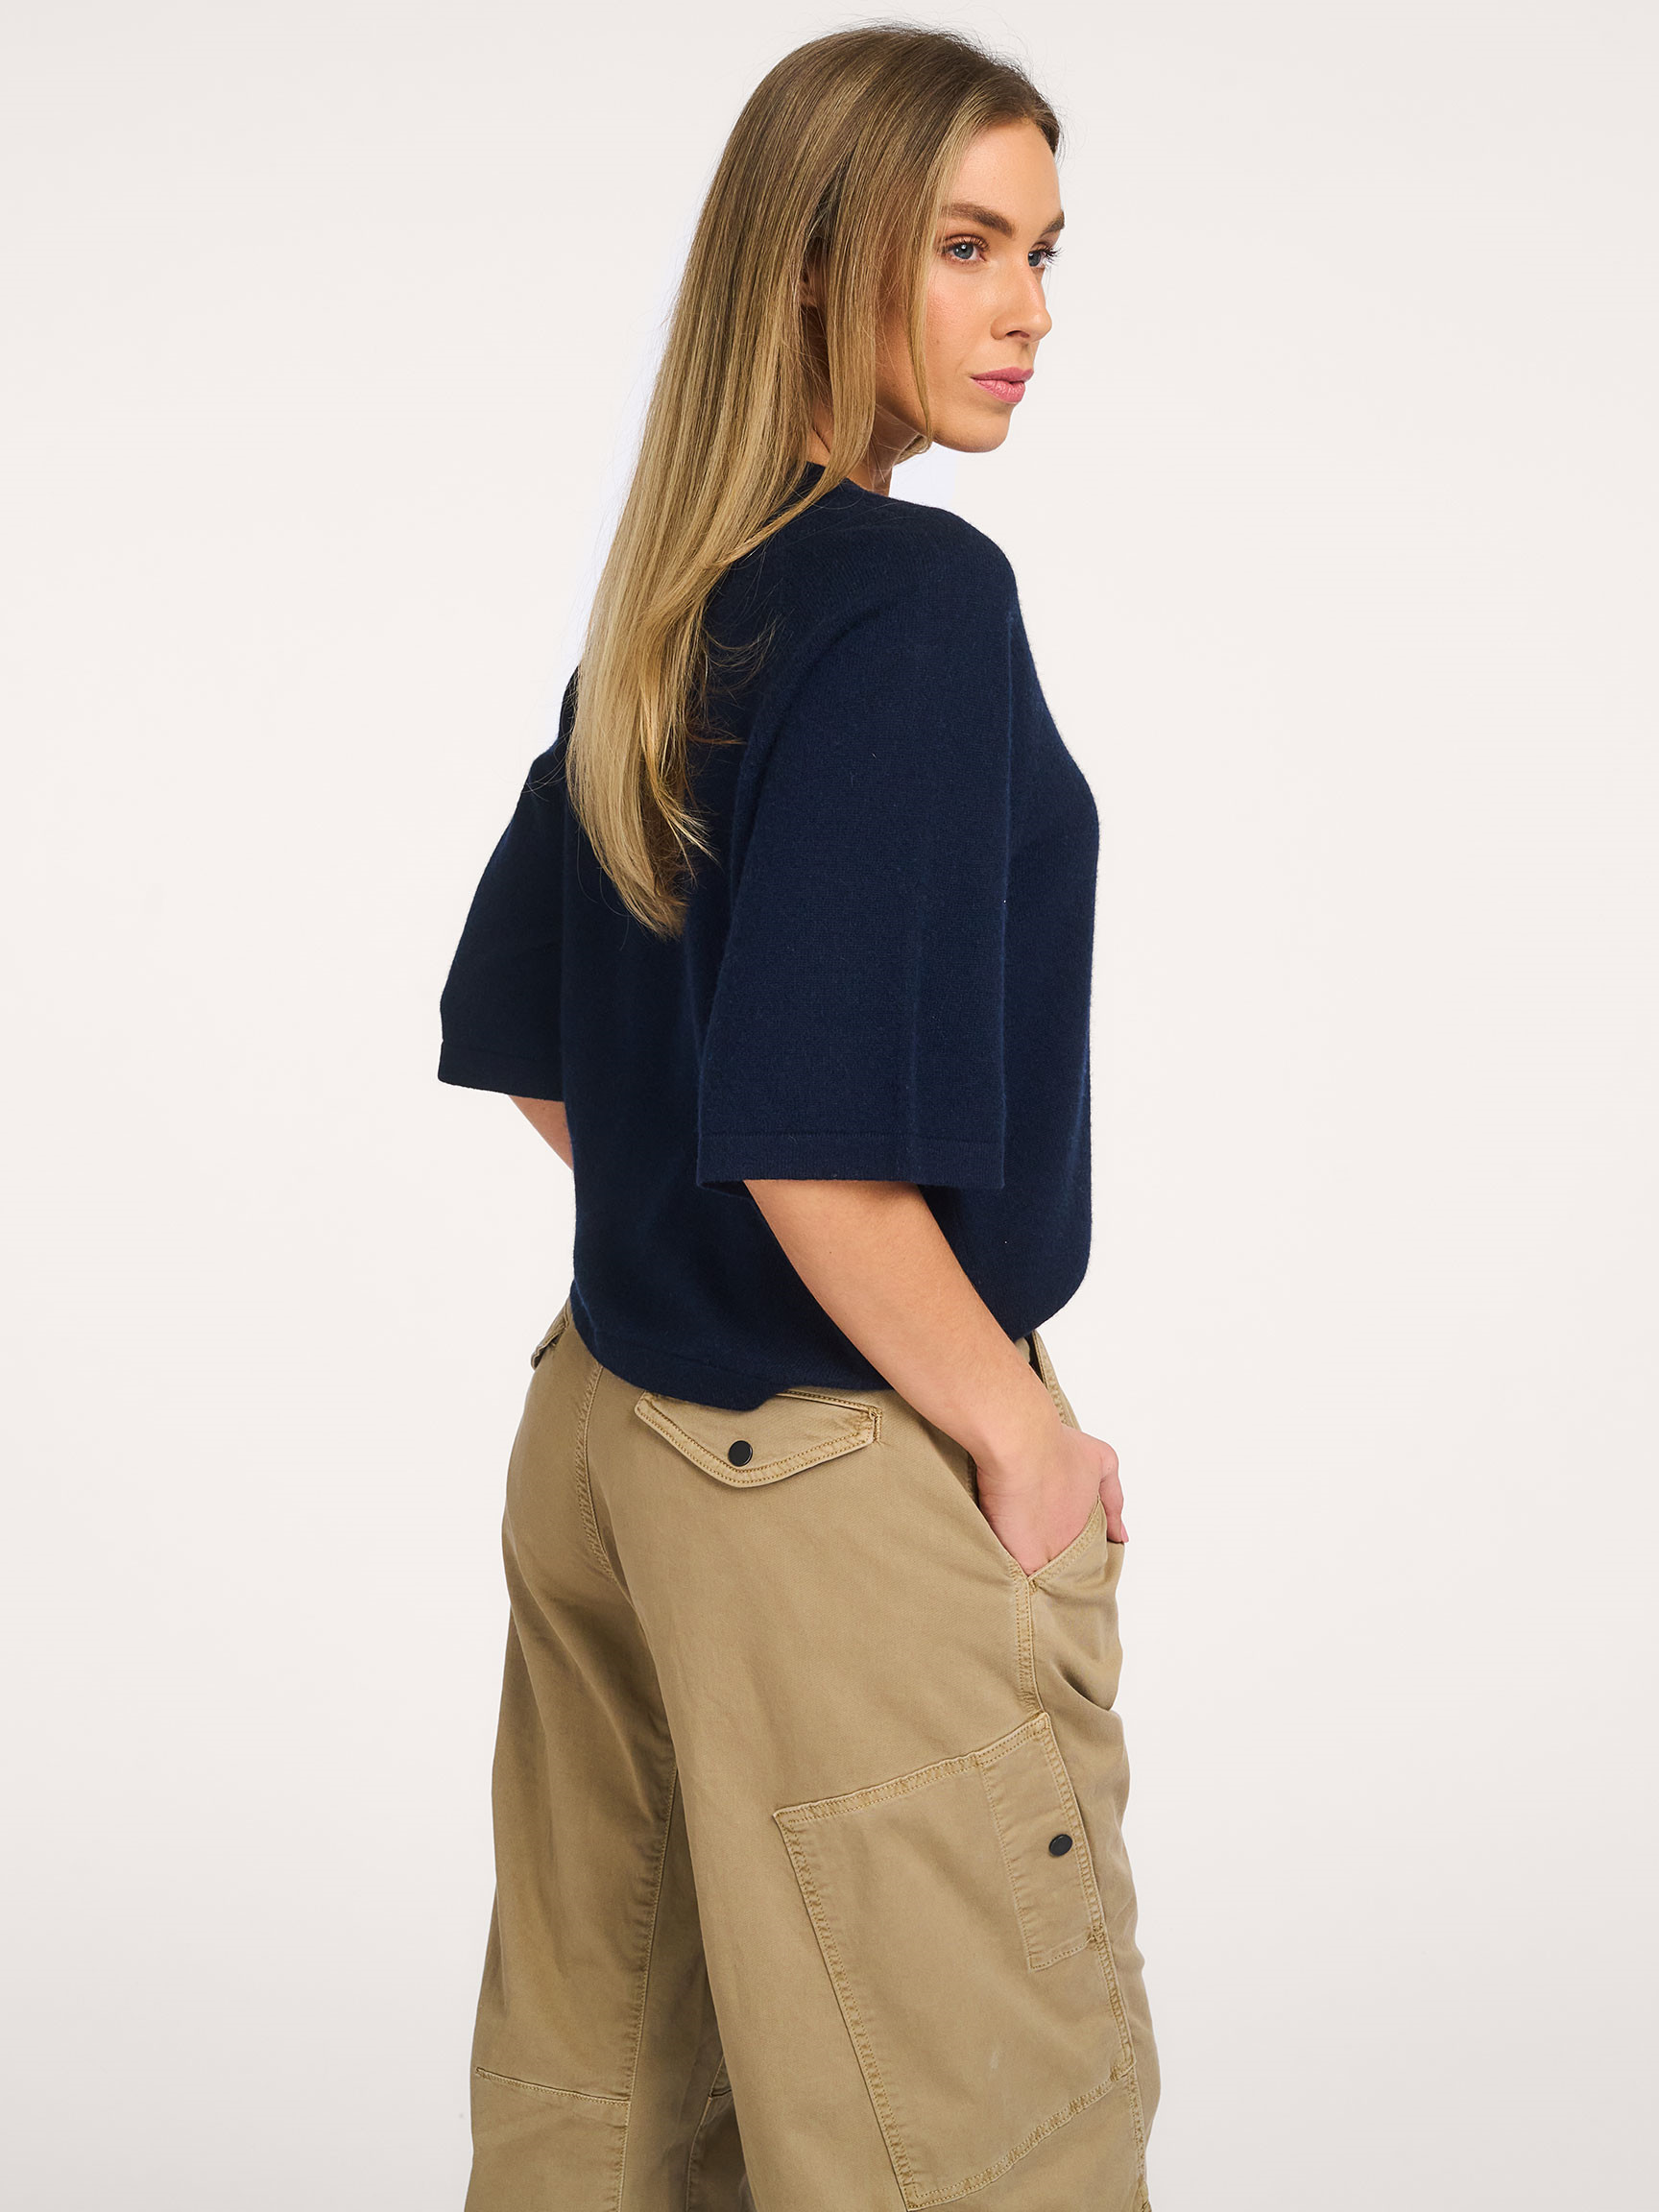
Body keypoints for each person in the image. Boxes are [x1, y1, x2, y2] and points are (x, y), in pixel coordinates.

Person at [437, 24, 1158, 2210]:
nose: (1027, 311)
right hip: (831, 1473)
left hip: (605, 1442)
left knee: (605, 2123)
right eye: (967, 246)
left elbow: (545, 1048)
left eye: (1042, 252)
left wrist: (696, 1248)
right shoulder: (917, 604)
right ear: (817, 260)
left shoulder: (678, 607)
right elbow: (813, 1146)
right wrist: (1015, 1434)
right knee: (980, 2146)